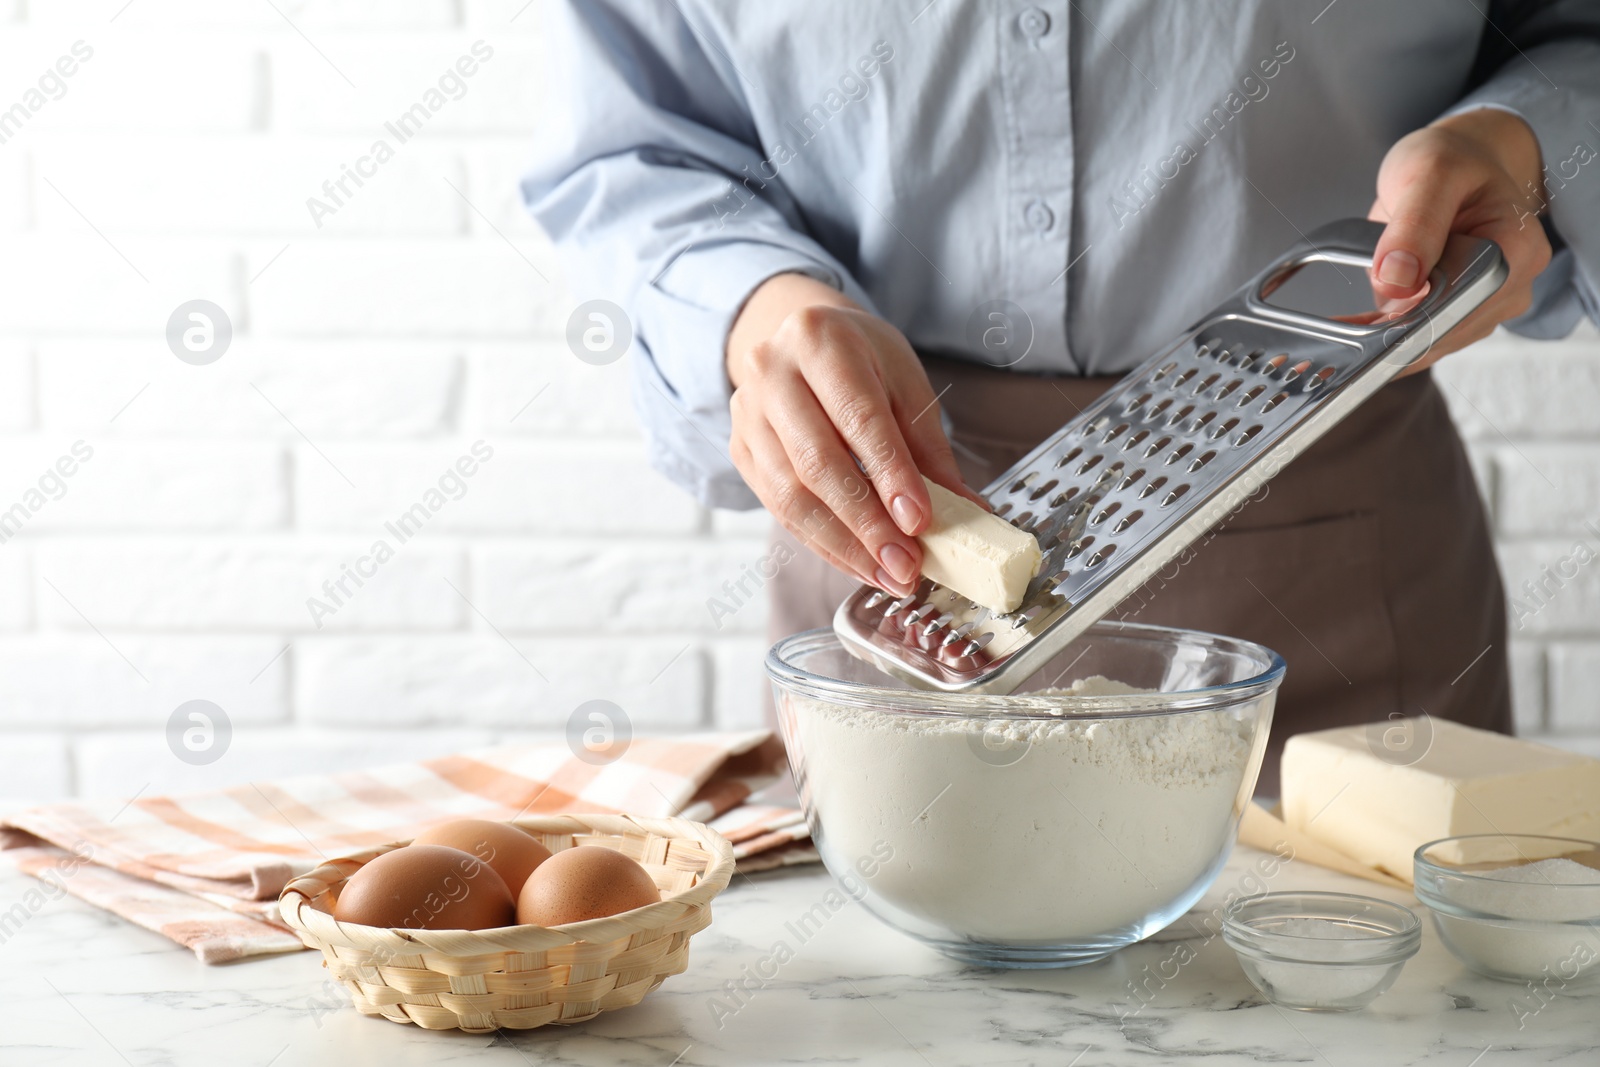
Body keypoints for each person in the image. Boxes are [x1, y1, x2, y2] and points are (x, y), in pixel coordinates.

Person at [524, 1, 1599, 791]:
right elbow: (634, 142)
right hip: (895, 565)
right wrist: (751, 303)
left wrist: (1531, 143)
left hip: (1335, 585)